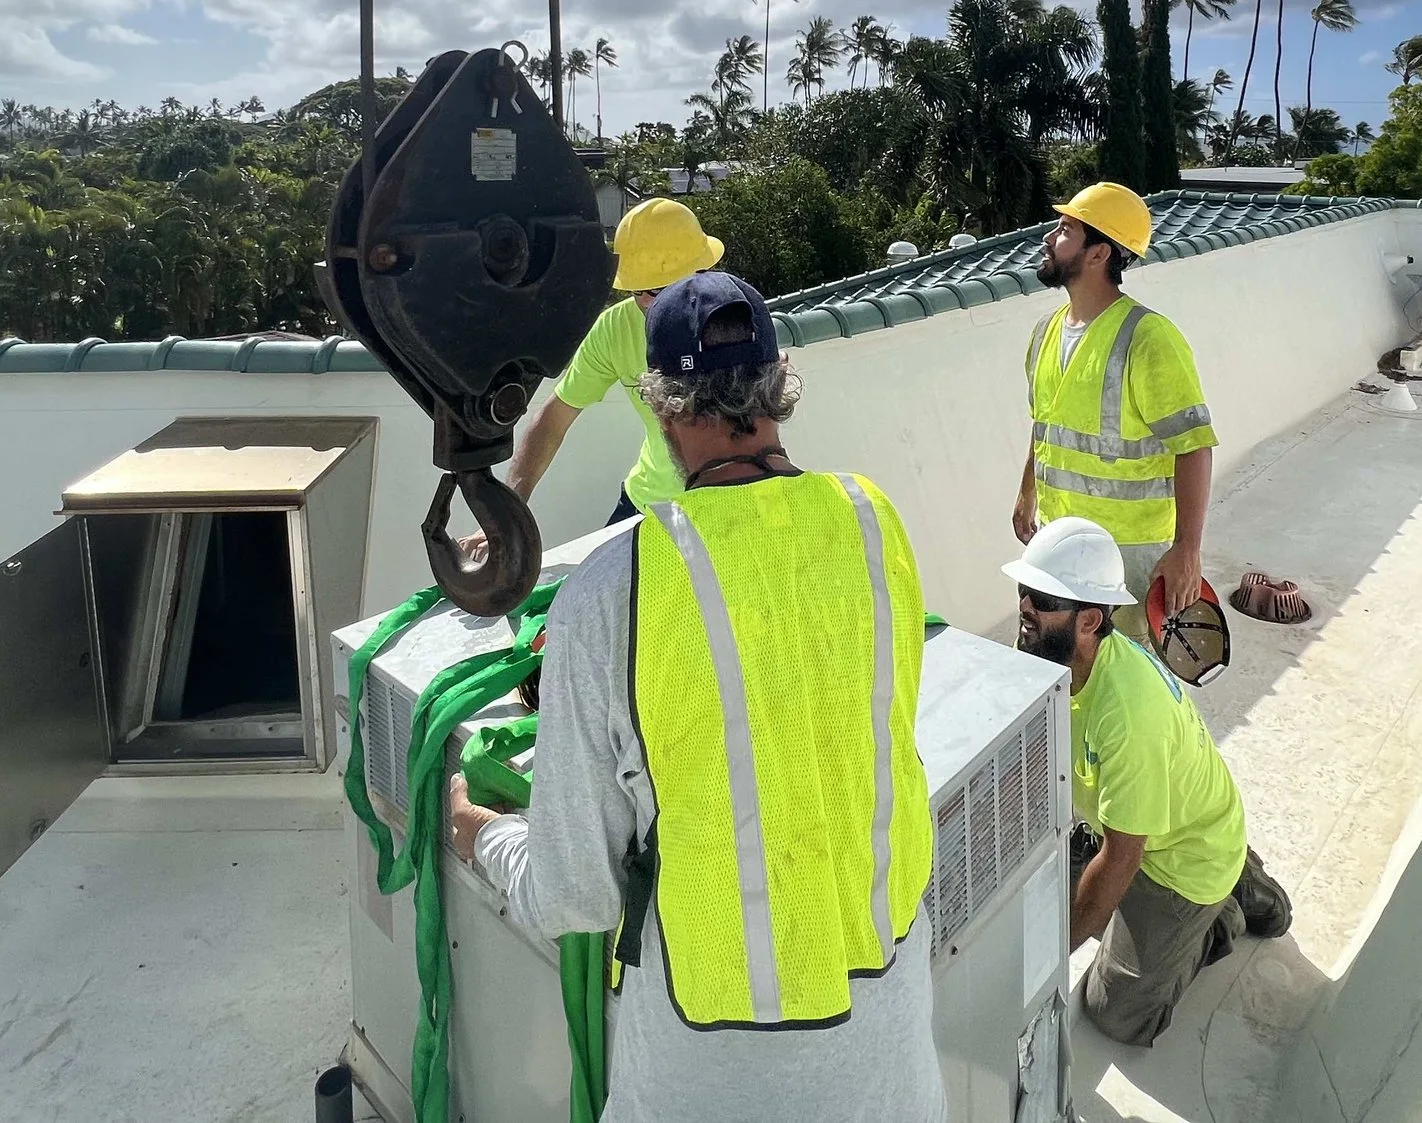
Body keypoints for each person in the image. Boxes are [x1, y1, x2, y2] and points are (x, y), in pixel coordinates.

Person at [449, 271, 943, 1123]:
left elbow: (578, 894)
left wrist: (478, 834)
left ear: (664, 408)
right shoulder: (874, 519)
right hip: (893, 1057)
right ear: (776, 389)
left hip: (711, 1074)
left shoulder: (612, 589)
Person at [1006, 516, 1290, 1048]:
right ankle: (1231, 873)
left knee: (1112, 1014)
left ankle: (1219, 911)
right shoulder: (1051, 651)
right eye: (1024, 589)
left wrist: (1052, 955)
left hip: (1179, 860)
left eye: (1042, 600)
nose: (1024, 607)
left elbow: (1121, 858)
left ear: (1089, 620)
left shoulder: (1129, 715)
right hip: (1148, 815)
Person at [1015, 182, 1219, 624]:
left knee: (1116, 669)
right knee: (1051, 666)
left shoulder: (1149, 338)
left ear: (1098, 253)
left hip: (1125, 555)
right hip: (1056, 540)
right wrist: (1026, 494)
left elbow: (1193, 446)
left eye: (1066, 229)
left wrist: (1187, 549)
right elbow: (1044, 426)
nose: (1050, 238)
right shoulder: (1044, 333)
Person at [505, 196, 726, 528]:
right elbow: (555, 417)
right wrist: (508, 511)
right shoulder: (615, 328)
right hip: (646, 502)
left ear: (702, 272)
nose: (648, 303)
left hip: (722, 507)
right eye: (638, 291)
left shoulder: (735, 322)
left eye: (659, 289)